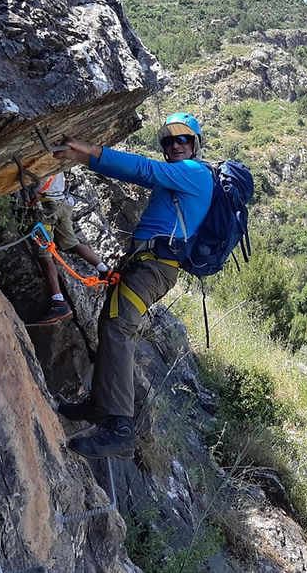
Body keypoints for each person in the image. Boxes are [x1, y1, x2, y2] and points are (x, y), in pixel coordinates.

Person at [52, 112, 213, 458]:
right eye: (169, 140)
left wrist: (93, 150)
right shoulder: (176, 179)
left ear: (196, 144)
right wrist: (87, 159)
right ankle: (100, 405)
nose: (175, 145)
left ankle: (119, 428)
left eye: (183, 139)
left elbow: (143, 169)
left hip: (154, 267)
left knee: (119, 327)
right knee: (110, 323)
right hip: (143, 263)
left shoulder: (195, 173)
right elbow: (138, 173)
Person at [35, 170, 110, 323]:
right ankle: (104, 269)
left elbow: (36, 184)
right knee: (72, 243)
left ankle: (58, 301)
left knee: (45, 253)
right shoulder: (58, 159)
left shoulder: (43, 161)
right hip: (63, 203)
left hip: (49, 207)